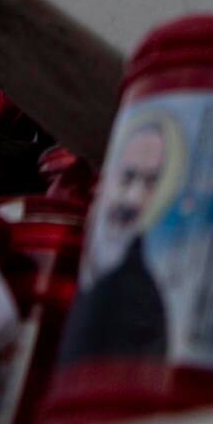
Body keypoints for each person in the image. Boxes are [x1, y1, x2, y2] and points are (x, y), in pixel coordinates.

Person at [57, 110, 178, 365]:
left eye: (150, 184)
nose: (133, 199)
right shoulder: (81, 266)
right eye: (127, 177)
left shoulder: (140, 298)